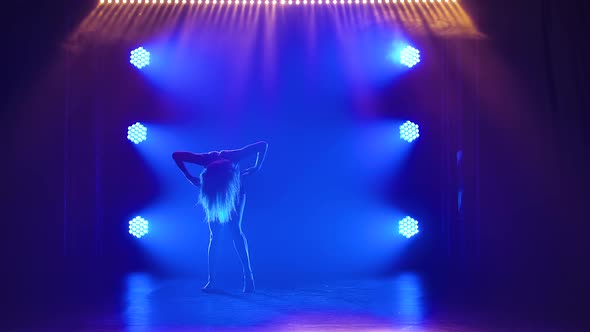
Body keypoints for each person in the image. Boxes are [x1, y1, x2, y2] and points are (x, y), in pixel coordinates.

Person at [172, 141, 268, 293]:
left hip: (235, 194)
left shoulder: (233, 155)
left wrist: (257, 167)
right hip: (213, 192)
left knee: (235, 230)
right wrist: (189, 177)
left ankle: (248, 277)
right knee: (214, 235)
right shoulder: (206, 159)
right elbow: (176, 155)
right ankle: (212, 280)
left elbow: (262, 145)